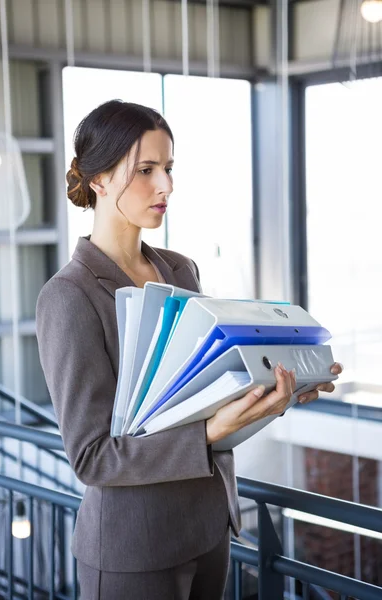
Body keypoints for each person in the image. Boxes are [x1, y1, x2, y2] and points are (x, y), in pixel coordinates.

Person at [35, 100, 343, 600]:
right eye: (146, 170)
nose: (167, 186)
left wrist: (273, 392)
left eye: (169, 168)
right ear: (98, 179)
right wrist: (209, 433)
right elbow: (92, 458)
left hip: (208, 528)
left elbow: (200, 393)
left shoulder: (181, 271)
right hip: (134, 549)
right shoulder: (69, 296)